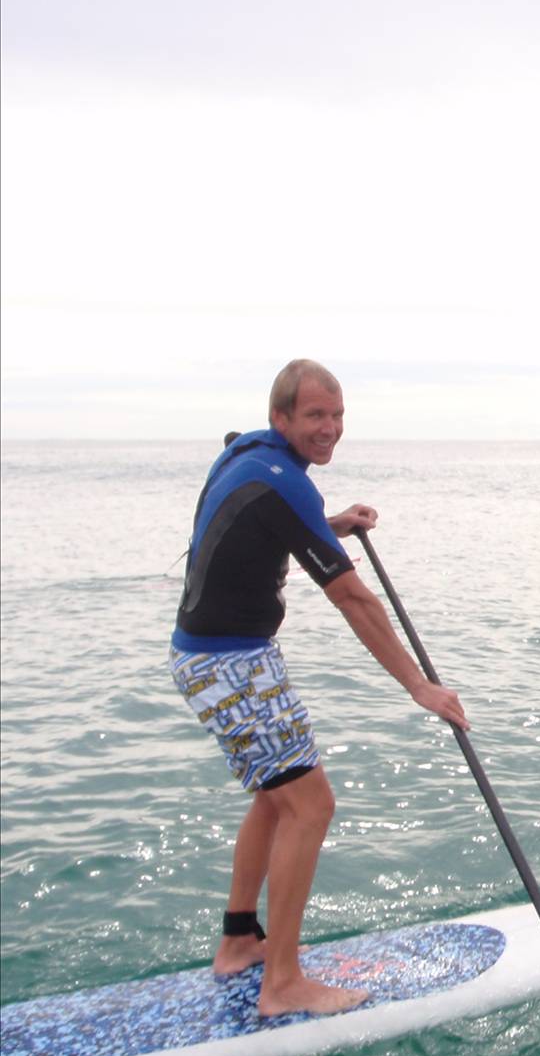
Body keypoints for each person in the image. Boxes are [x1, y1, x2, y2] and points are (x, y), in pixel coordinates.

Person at [170, 359, 468, 1016]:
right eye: (314, 417)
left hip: (207, 660)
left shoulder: (252, 456)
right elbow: (354, 600)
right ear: (282, 418)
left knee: (278, 800)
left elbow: (261, 520)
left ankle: (239, 941)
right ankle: (282, 985)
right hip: (234, 666)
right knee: (311, 805)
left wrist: (326, 525)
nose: (329, 429)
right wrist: (418, 685)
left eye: (336, 417)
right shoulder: (282, 482)